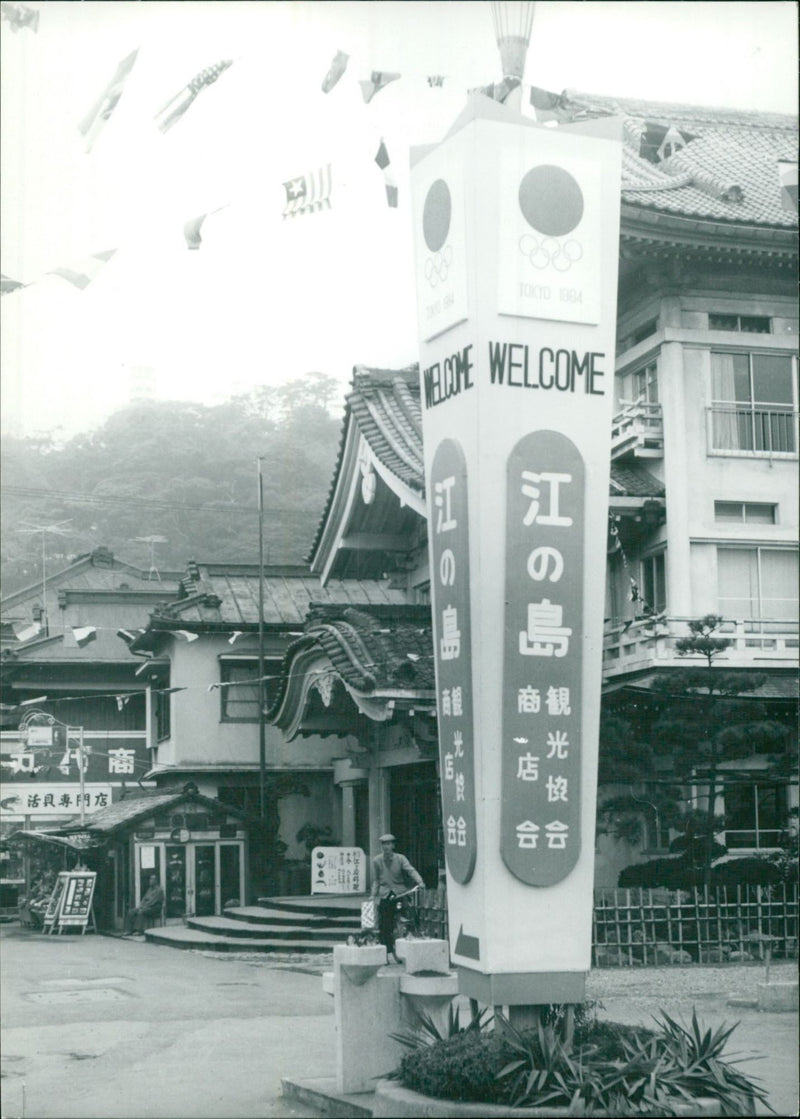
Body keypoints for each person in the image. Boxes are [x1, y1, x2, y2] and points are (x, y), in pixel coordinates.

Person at [370, 834, 424, 961]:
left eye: (389, 844)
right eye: (384, 844)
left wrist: (420, 881)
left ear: (393, 846)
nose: (386, 847)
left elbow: (410, 870)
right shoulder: (377, 860)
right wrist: (373, 895)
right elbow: (376, 880)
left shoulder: (400, 858)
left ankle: (412, 946)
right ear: (381, 846)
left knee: (411, 917)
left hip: (400, 893)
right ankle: (387, 953)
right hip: (385, 894)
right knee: (385, 925)